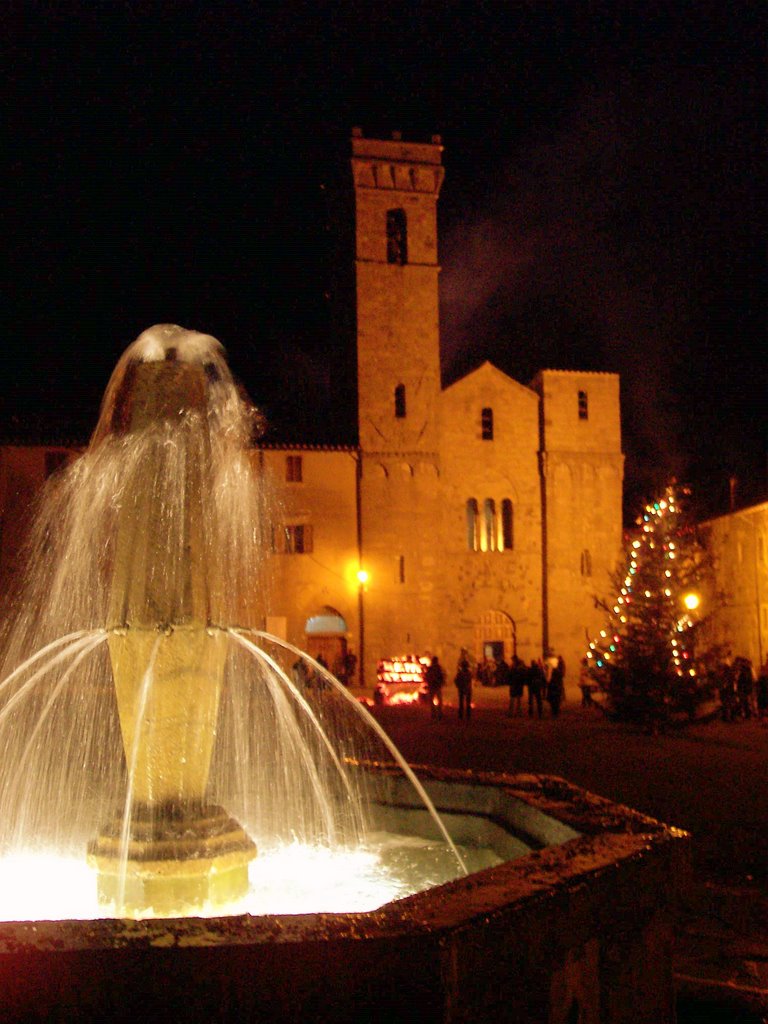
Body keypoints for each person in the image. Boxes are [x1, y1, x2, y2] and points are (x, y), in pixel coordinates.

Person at [424, 655, 445, 720]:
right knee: (439, 700)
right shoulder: (439, 668)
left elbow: (426, 676)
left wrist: (428, 683)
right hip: (437, 686)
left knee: (431, 700)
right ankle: (439, 713)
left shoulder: (430, 668)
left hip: (432, 686)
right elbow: (442, 676)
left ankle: (434, 713)